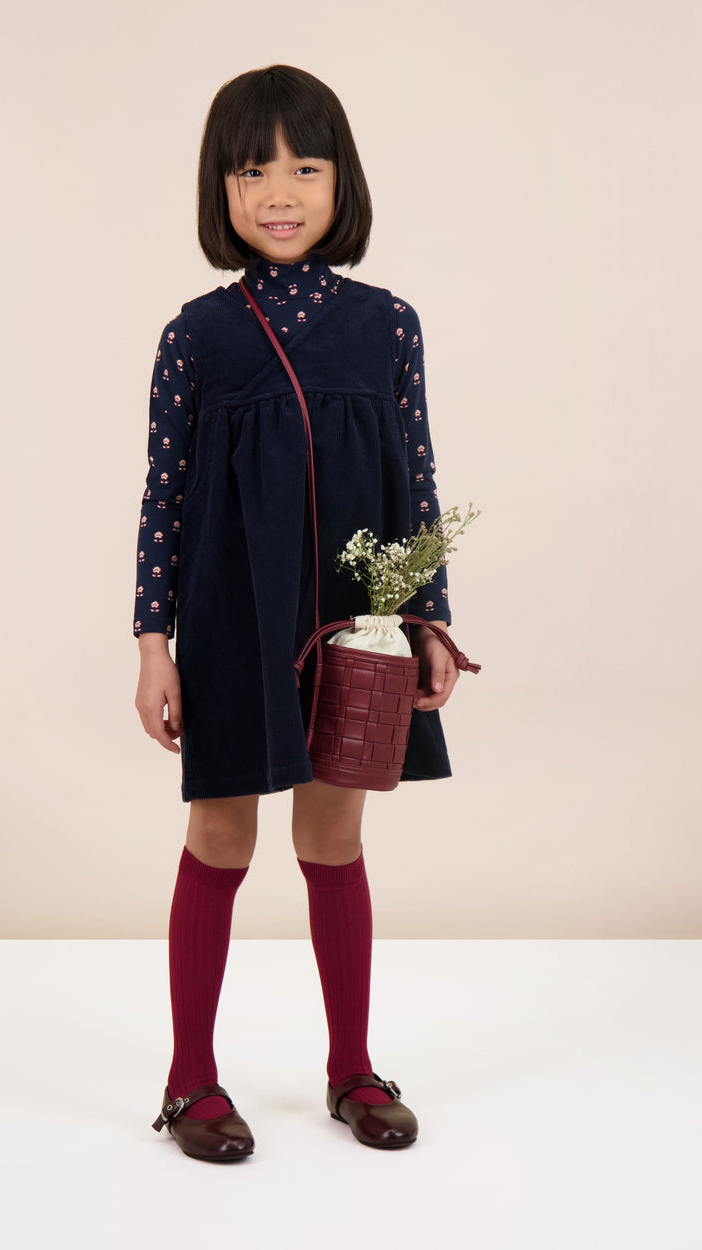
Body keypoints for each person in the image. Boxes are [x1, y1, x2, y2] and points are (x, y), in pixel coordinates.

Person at [134, 65, 464, 1162]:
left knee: (334, 834)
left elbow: (416, 478)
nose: (279, 192)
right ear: (220, 190)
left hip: (354, 623)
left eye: (305, 168)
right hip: (227, 617)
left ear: (341, 182)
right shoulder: (196, 336)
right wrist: (154, 645)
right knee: (220, 832)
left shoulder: (387, 325)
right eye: (252, 170)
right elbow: (165, 494)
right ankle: (189, 1078)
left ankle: (352, 1067)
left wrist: (427, 620)